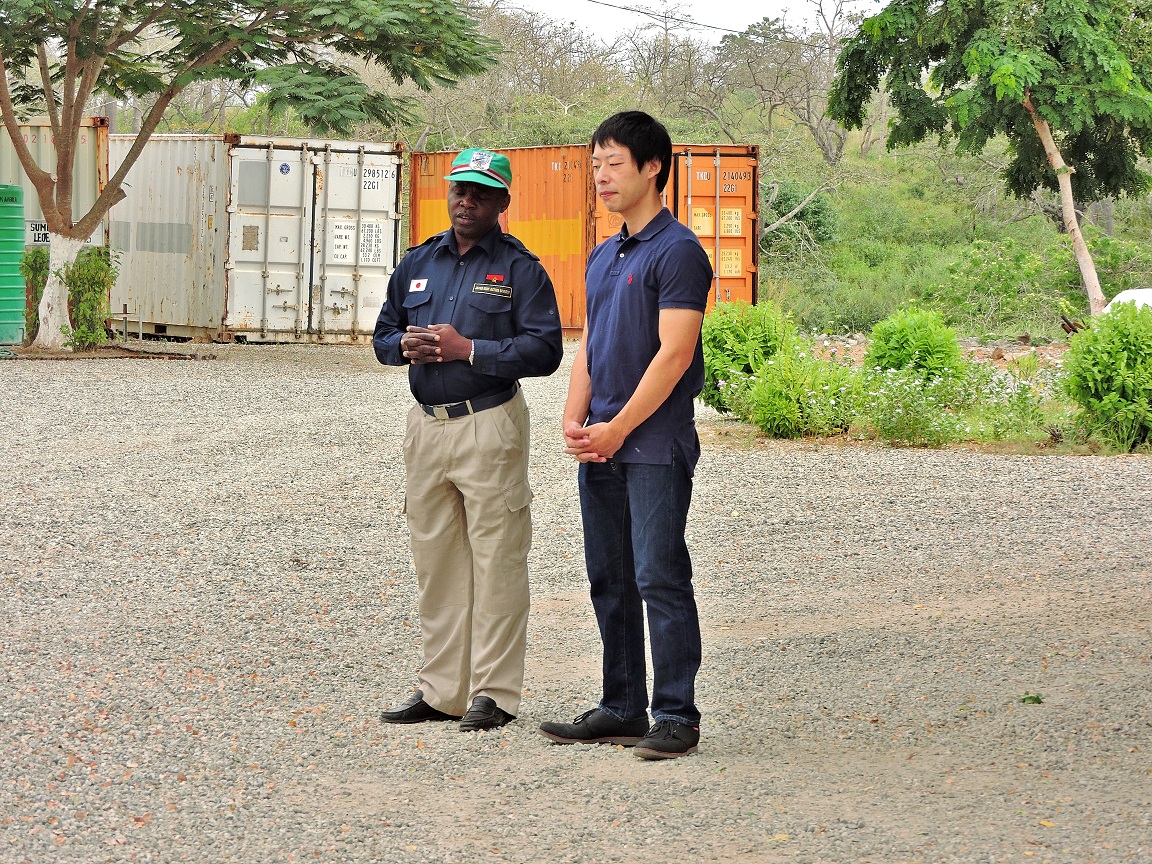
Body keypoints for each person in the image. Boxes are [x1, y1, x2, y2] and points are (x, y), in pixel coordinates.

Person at [538, 112, 713, 759]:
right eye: (595, 165)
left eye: (614, 163)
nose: (602, 176)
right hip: (603, 442)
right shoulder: (603, 255)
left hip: (652, 446)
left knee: (658, 577)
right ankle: (621, 707)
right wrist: (574, 418)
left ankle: (676, 715)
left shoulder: (679, 252)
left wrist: (617, 427)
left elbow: (673, 354)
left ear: (652, 167)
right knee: (607, 578)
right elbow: (589, 345)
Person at [373, 148, 563, 732]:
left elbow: (546, 350)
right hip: (426, 425)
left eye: (482, 192)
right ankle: (441, 691)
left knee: (498, 559)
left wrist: (470, 350)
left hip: (489, 424)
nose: (467, 200)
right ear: (448, 193)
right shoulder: (417, 261)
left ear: (503, 203)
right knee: (437, 562)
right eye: (461, 188)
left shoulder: (522, 269)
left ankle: (495, 695)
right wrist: (401, 347)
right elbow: (382, 334)